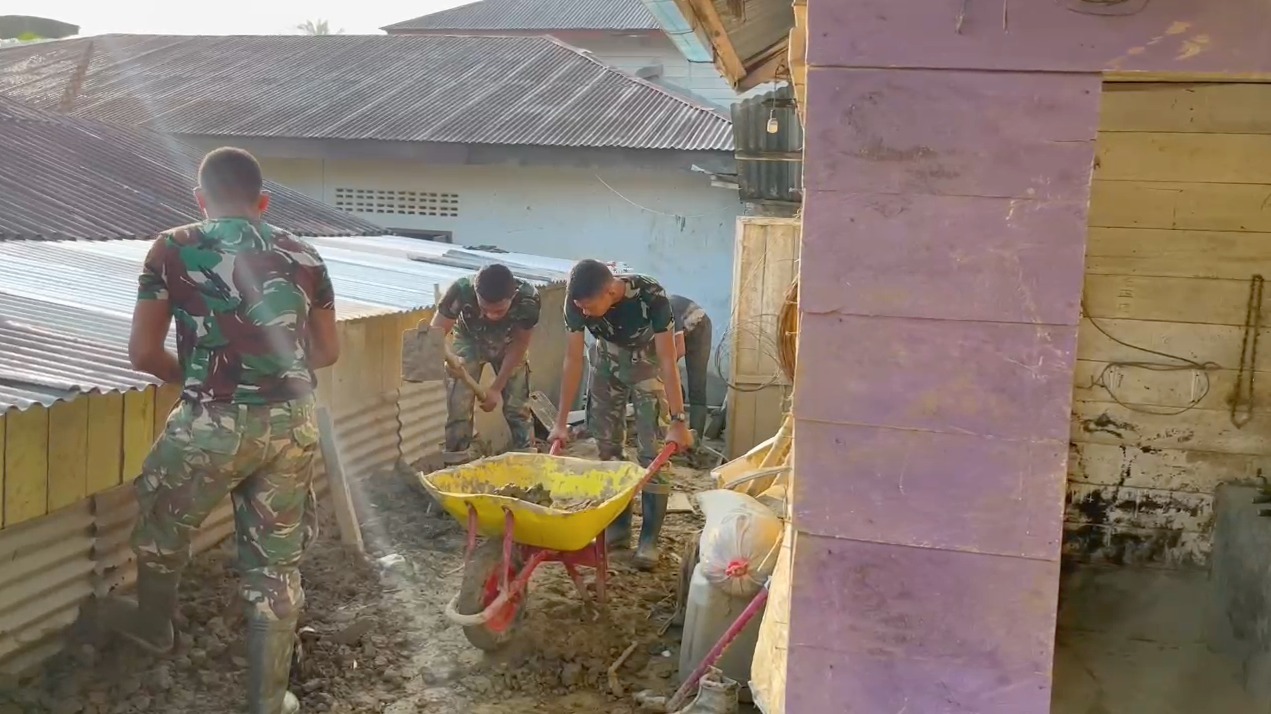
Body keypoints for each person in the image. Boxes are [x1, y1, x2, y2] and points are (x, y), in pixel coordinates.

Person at [108, 147, 340, 714]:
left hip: (210, 423)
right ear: (264, 203)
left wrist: (191, 376)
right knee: (274, 567)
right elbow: (328, 352)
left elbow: (141, 353)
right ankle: (266, 702)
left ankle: (156, 632)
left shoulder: (172, 248)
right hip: (291, 425)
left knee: (163, 531)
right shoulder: (306, 255)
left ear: (200, 199)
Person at [549, 259, 693, 570]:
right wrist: (560, 424)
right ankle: (618, 528)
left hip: (647, 363)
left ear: (610, 291)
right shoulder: (576, 302)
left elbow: (668, 360)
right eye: (580, 308)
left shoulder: (651, 296)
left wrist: (679, 421)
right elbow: (573, 359)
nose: (584, 313)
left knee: (652, 451)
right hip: (606, 361)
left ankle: (649, 539)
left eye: (589, 307)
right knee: (607, 446)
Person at [431, 264, 540, 463]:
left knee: (517, 407)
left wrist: (496, 388)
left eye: (498, 311)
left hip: (508, 343)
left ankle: (528, 462)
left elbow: (520, 342)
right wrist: (448, 356)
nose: (491, 315)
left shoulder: (528, 299)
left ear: (513, 296)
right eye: (484, 309)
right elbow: (434, 334)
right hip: (469, 340)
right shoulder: (460, 290)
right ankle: (456, 464)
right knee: (458, 406)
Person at [670, 294, 713, 437]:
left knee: (697, 386)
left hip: (699, 326)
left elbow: (679, 348)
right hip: (680, 328)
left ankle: (695, 441)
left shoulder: (662, 309)